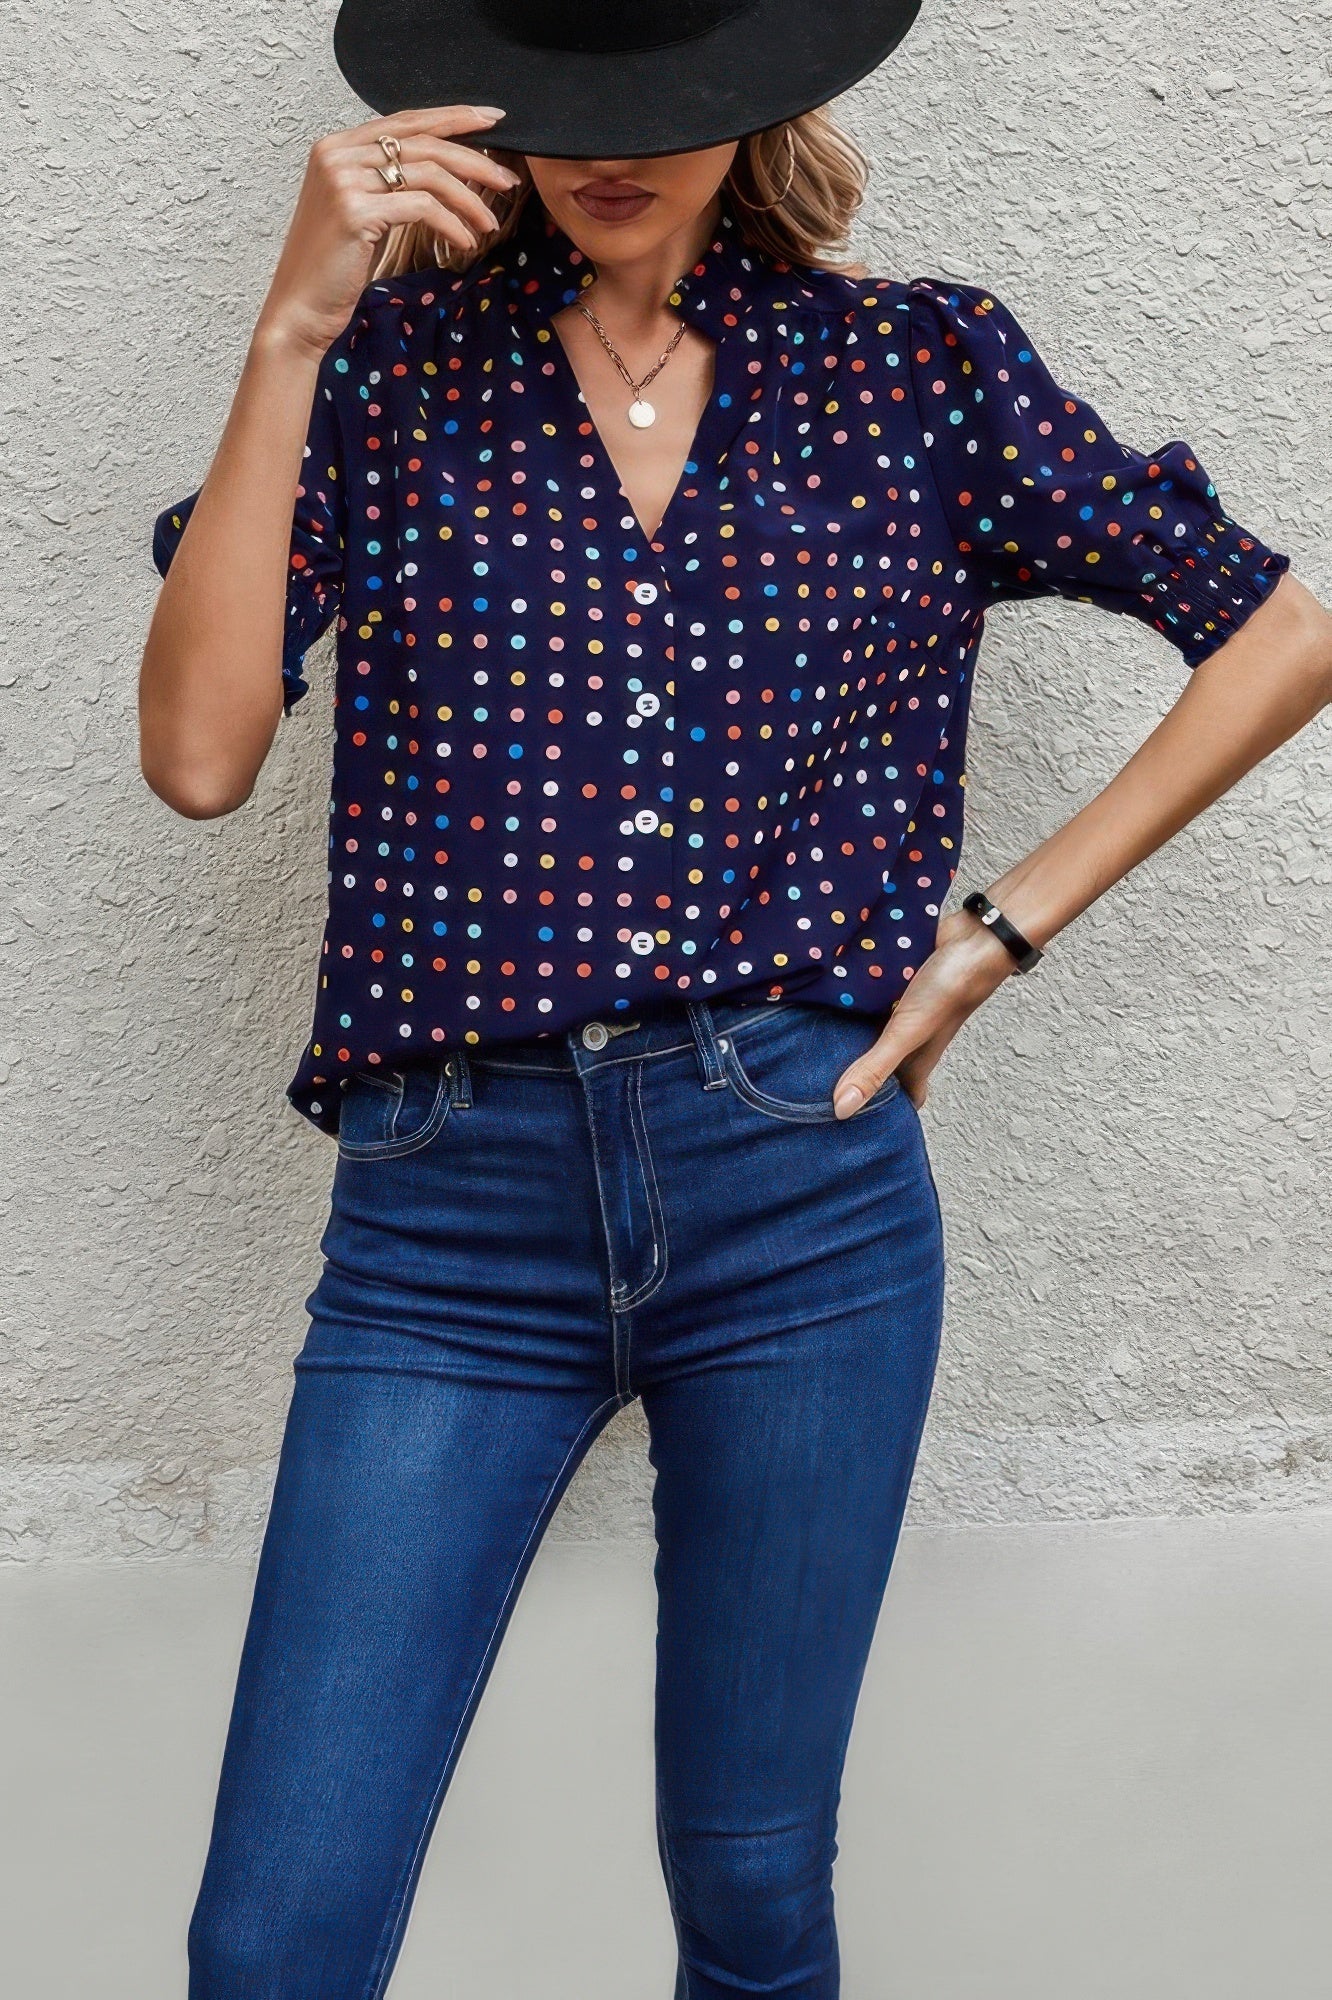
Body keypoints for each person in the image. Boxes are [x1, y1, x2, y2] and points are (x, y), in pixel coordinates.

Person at [139, 2, 1332, 1993]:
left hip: (804, 1196)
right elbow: (198, 756)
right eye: (567, 106)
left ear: (764, 88)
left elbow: (1278, 631)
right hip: (448, 1219)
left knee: (756, 1894)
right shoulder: (391, 372)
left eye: (664, 102)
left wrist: (999, 933)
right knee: (277, 1940)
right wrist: (288, 331)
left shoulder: (917, 369)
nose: (612, 150)